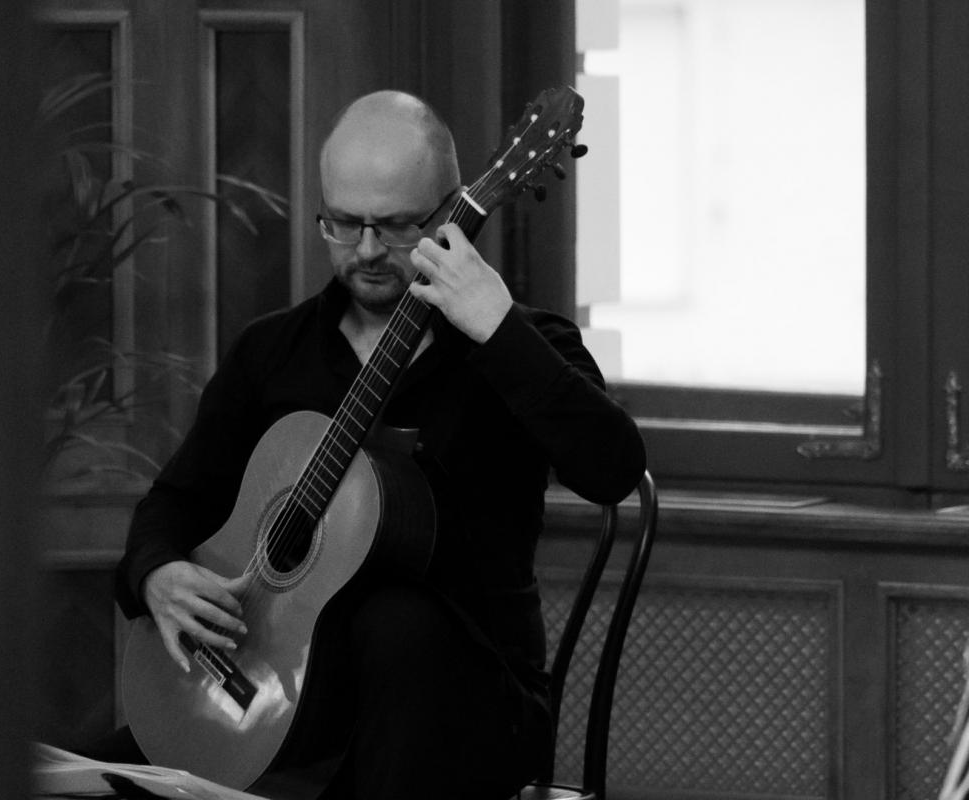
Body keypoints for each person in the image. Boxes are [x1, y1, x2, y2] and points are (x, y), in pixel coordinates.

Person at [113, 90, 646, 799]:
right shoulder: (272, 352)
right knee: (87, 770)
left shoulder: (524, 344)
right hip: (282, 700)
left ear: (451, 212)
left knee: (397, 622)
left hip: (464, 708)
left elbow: (613, 468)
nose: (366, 250)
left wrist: (497, 328)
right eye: (343, 223)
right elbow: (173, 504)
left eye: (395, 227)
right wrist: (158, 574)